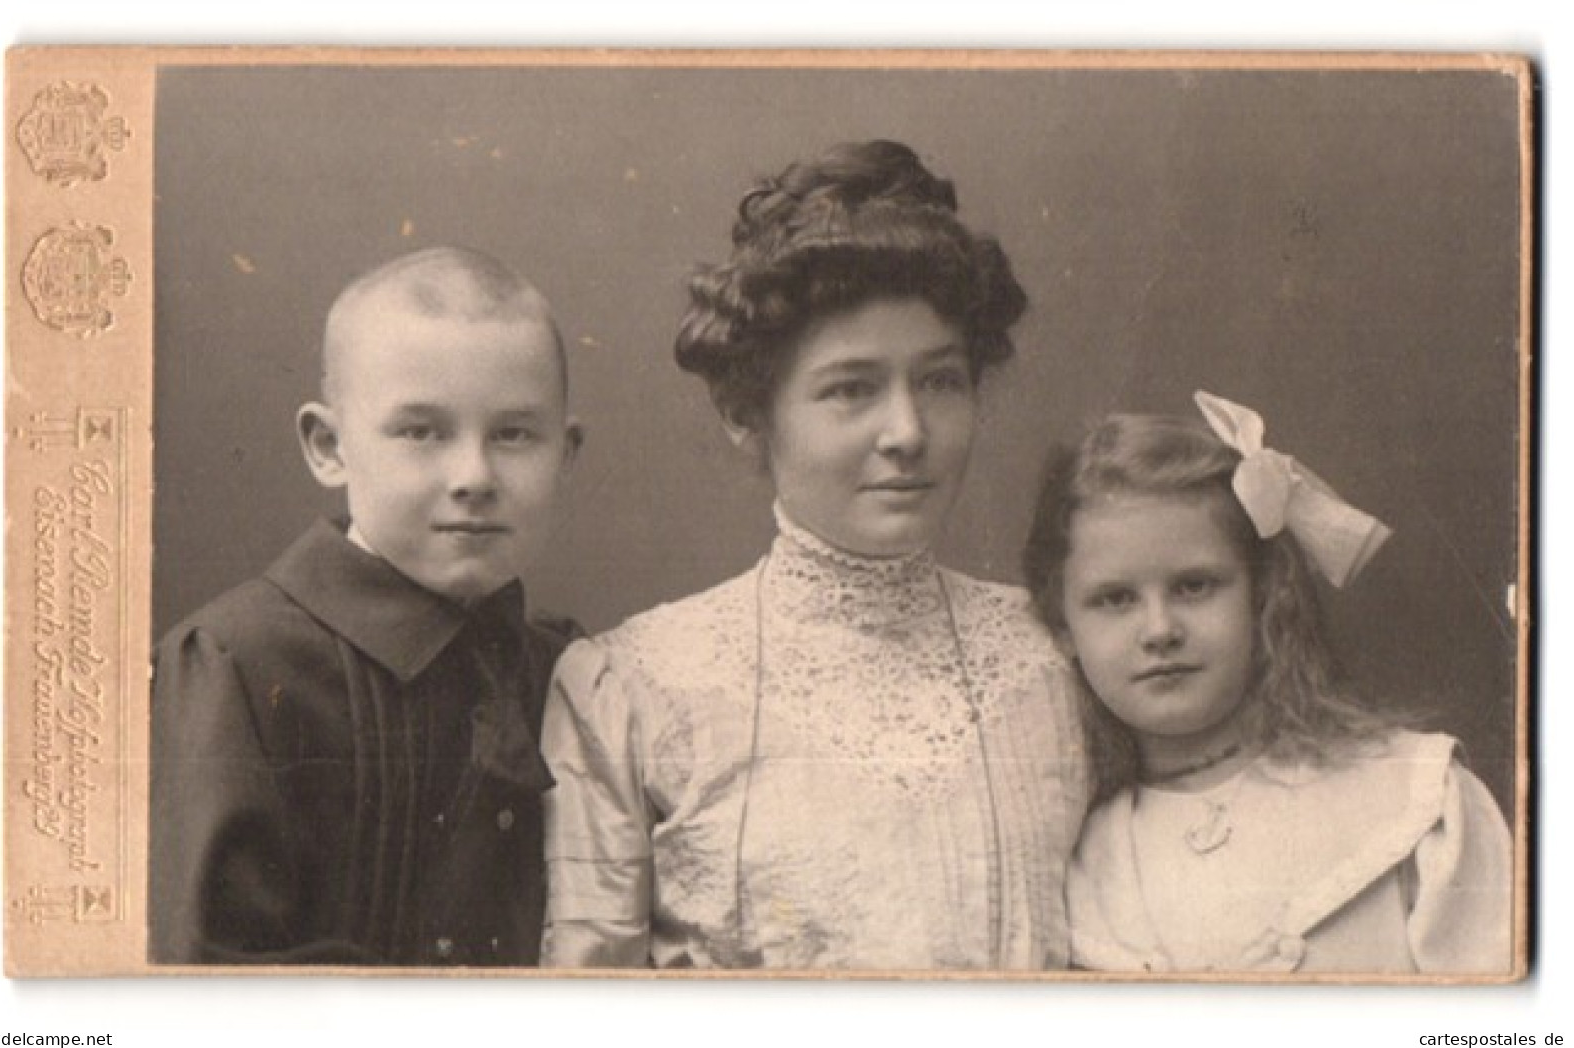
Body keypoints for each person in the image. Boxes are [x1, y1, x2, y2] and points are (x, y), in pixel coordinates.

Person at [540, 139, 1090, 970]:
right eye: (850, 390)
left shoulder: (1060, 654)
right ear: (746, 412)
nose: (906, 433)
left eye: (940, 381)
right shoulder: (634, 688)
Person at [149, 246, 583, 965]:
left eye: (512, 434)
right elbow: (207, 978)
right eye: (421, 432)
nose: (473, 476)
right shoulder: (239, 663)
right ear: (328, 447)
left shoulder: (562, 669)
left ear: (565, 454)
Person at [1022, 391, 1514, 974]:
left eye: (1195, 586)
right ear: (1063, 628)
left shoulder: (1416, 797)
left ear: (1263, 593)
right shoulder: (1070, 866)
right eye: (1115, 599)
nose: (1159, 630)